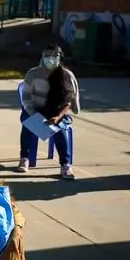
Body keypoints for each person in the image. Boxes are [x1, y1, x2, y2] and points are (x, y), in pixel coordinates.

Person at [18, 45, 80, 179]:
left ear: (60, 57)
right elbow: (26, 99)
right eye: (47, 56)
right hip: (35, 111)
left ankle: (65, 165)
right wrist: (35, 115)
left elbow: (68, 101)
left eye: (54, 56)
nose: (50, 59)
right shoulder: (32, 74)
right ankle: (24, 157)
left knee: (60, 130)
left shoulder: (66, 76)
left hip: (57, 113)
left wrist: (58, 116)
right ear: (42, 57)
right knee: (28, 124)